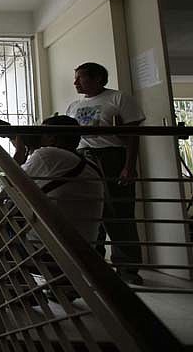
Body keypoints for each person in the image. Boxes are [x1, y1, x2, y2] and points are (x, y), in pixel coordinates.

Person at [0, 115, 104, 304]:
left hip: (47, 254)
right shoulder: (88, 164)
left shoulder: (48, 155)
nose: (37, 134)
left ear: (52, 138)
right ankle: (24, 288)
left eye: (42, 131)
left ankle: (21, 291)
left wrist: (20, 153)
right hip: (79, 256)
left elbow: (6, 193)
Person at [66, 62, 146, 285]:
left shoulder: (118, 98)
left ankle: (128, 269)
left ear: (98, 78)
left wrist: (129, 166)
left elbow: (133, 135)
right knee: (91, 213)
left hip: (111, 157)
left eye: (80, 78)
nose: (75, 82)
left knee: (119, 212)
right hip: (83, 157)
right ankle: (94, 265)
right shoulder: (73, 106)